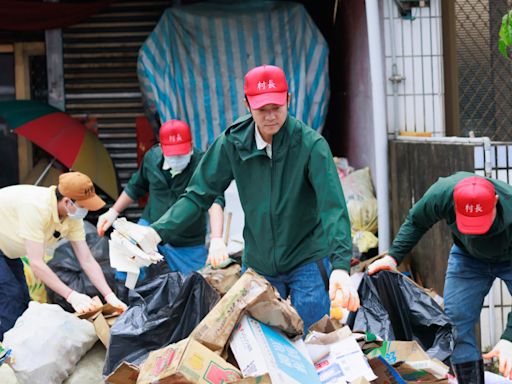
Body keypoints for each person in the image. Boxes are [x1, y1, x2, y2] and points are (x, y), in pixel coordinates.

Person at [135, 65, 360, 331]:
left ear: (289, 99)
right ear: (247, 104)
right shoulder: (233, 143)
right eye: (261, 109)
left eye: (276, 107)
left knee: (313, 339)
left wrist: (341, 267)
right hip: (260, 264)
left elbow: (332, 209)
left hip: (307, 259)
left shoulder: (311, 146)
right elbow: (198, 195)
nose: (270, 116)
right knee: (263, 342)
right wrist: (156, 232)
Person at [368, 172, 512, 382]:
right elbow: (417, 220)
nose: (477, 233)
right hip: (468, 258)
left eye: (480, 223)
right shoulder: (444, 193)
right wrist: (393, 257)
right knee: (455, 326)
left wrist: (508, 338)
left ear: (495, 202)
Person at [0, 172, 127, 340]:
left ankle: (19, 349)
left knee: (23, 298)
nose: (86, 210)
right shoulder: (35, 208)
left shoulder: (72, 217)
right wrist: (71, 295)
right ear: (67, 201)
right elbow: (37, 263)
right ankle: (8, 355)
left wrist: (110, 296)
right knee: (11, 296)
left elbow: (87, 260)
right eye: (83, 206)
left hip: (7, 246)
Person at [97, 119, 227, 276]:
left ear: (191, 144)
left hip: (187, 239)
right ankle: (129, 299)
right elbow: (135, 187)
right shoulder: (152, 158)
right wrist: (113, 212)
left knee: (195, 285)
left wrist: (216, 238)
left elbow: (215, 201)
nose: (177, 158)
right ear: (161, 147)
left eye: (181, 153)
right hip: (150, 226)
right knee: (129, 267)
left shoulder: (203, 163)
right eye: (173, 154)